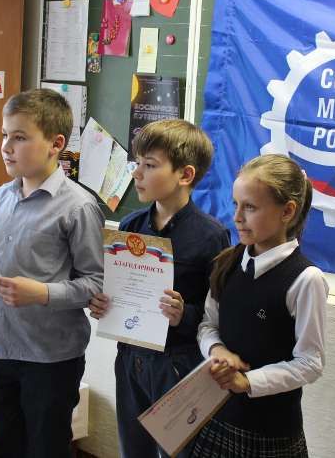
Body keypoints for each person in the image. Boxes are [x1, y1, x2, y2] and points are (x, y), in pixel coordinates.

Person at [0, 88, 104, 458]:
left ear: (56, 144)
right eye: (4, 135)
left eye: (20, 137)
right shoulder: (1, 196)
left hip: (51, 357)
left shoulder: (78, 207)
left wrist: (41, 293)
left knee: (46, 449)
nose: (6, 147)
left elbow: (95, 285)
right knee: (4, 445)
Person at [88, 119, 230, 458]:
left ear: (185, 175)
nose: (137, 173)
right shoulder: (130, 225)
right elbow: (118, 290)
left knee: (178, 451)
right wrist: (104, 305)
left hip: (177, 363)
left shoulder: (211, 236)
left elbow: (219, 316)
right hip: (131, 357)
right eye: (137, 163)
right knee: (133, 448)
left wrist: (184, 315)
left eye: (150, 165)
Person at [191, 154, 328, 458]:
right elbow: (207, 325)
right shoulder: (227, 264)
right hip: (217, 417)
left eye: (250, 207)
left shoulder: (306, 279)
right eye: (236, 205)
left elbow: (310, 362)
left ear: (287, 211)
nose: (237, 217)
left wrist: (248, 382)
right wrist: (217, 350)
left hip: (270, 432)